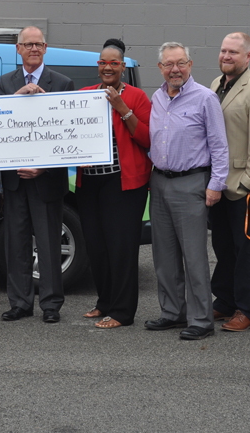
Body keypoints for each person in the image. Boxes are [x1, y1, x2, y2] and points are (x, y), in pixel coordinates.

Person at [145, 41, 229, 341]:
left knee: (194, 257)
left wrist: (215, 185)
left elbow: (219, 145)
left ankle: (201, 319)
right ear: (160, 68)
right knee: (164, 256)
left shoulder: (205, 98)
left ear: (190, 65)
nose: (175, 69)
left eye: (180, 63)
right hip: (160, 181)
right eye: (168, 64)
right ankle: (172, 312)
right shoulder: (156, 97)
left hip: (192, 183)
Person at [0, 26, 75, 323]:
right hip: (15, 178)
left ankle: (51, 305)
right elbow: (0, 123)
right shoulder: (6, 82)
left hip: (47, 178)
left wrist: (43, 166)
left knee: (48, 243)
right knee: (16, 243)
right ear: (18, 49)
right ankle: (20, 303)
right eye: (27, 44)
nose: (33, 48)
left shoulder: (63, 82)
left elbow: (67, 134)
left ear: (45, 48)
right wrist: (17, 96)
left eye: (38, 44)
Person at [76, 39, 151, 329]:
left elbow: (146, 139)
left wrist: (122, 109)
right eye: (103, 63)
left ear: (122, 66)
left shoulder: (136, 97)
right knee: (96, 245)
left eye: (114, 63)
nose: (108, 67)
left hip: (123, 184)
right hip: (89, 183)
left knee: (121, 247)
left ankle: (122, 312)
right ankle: (104, 302)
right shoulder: (85, 95)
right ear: (98, 66)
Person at [208, 32, 250, 332]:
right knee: (223, 245)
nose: (226, 56)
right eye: (223, 51)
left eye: (233, 52)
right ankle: (224, 301)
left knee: (245, 247)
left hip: (243, 186)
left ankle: (247, 309)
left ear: (248, 57)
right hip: (218, 183)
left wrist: (249, 183)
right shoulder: (215, 85)